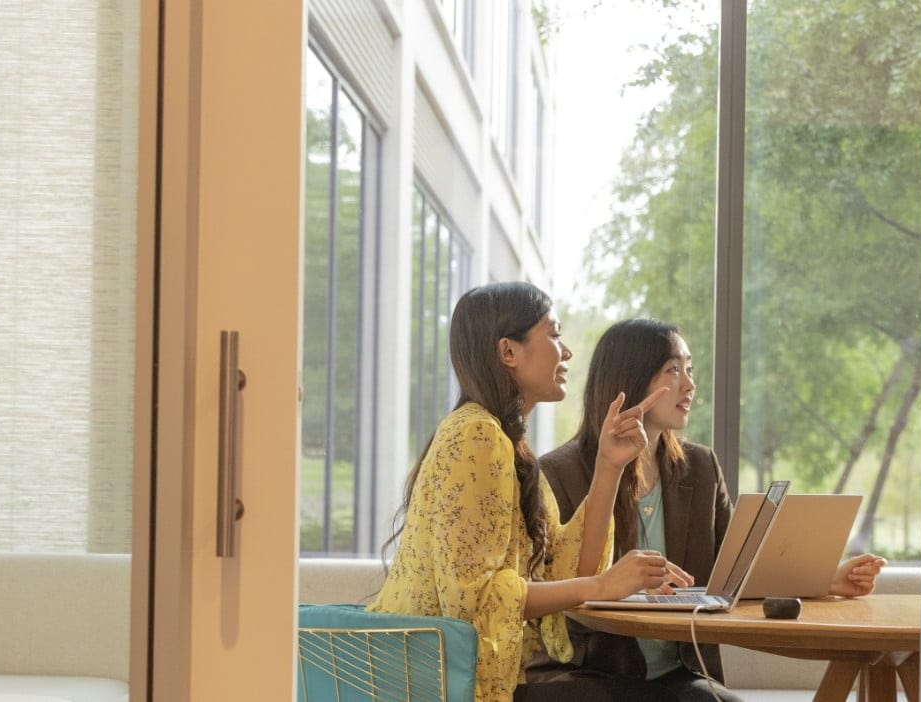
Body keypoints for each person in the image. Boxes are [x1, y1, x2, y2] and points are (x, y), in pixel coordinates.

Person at [524, 318, 888, 701]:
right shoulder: (558, 473)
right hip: (584, 673)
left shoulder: (701, 467)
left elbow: (736, 570)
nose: (690, 384)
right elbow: (553, 593)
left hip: (676, 674)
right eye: (673, 369)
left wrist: (826, 579)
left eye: (690, 369)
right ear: (631, 377)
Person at [369, 283, 689, 701]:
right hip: (428, 684)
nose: (567, 352)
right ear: (508, 352)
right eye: (554, 335)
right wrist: (602, 586)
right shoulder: (475, 436)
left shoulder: (507, 444)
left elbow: (569, 571)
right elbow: (476, 597)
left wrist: (609, 467)